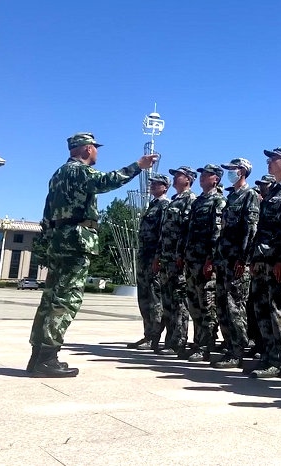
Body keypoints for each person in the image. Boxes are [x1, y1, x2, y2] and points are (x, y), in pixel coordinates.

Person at [27, 132, 157, 377]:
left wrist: (51, 238)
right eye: (95, 148)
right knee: (67, 298)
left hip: (59, 240)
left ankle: (37, 356)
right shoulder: (79, 171)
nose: (97, 152)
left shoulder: (58, 174)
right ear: (87, 149)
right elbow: (107, 181)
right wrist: (138, 166)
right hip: (76, 240)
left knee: (50, 298)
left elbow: (47, 211)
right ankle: (47, 358)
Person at [248, 147, 281, 378]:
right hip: (262, 259)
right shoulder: (274, 190)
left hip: (277, 261)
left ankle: (278, 359)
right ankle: (267, 354)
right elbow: (261, 228)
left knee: (277, 309)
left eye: (273, 159)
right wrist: (254, 257)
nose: (269, 162)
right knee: (261, 310)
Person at [213, 158, 259, 368]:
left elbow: (251, 230)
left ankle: (238, 351)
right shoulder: (231, 197)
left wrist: (244, 259)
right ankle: (229, 345)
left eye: (233, 169)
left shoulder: (250, 195)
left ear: (242, 171)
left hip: (237, 262)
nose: (230, 172)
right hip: (224, 260)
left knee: (235, 308)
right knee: (222, 307)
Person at [179, 164, 226, 362]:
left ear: (216, 179)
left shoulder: (219, 201)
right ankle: (198, 342)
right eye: (202, 174)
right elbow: (188, 230)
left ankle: (207, 345)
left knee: (207, 305)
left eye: (207, 175)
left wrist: (211, 259)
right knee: (194, 304)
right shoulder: (198, 201)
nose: (202, 177)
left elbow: (217, 232)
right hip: (192, 260)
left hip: (205, 261)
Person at [153, 166, 197, 355]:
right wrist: (158, 255)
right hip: (166, 258)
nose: (175, 178)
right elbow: (163, 232)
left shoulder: (190, 200)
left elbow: (188, 231)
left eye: (179, 175)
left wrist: (181, 255)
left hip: (178, 260)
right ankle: (170, 339)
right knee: (168, 300)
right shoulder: (173, 201)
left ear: (188, 179)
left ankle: (178, 341)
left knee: (179, 301)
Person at [128, 173, 171, 352]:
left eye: (157, 184)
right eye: (152, 183)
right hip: (144, 257)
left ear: (165, 187)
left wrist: (158, 257)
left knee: (155, 299)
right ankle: (147, 334)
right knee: (144, 298)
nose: (152, 186)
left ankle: (154, 337)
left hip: (154, 258)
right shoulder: (152, 205)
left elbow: (163, 233)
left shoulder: (165, 206)